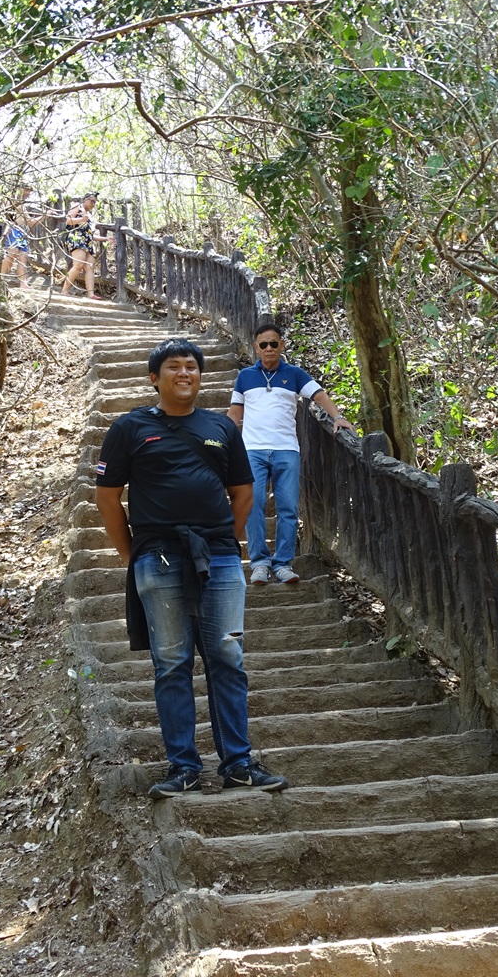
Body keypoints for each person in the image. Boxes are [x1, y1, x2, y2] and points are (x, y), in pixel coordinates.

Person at [95, 338, 290, 799]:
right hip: (158, 557)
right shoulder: (130, 428)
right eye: (174, 367)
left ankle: (238, 764)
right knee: (172, 662)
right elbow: (107, 497)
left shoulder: (221, 428)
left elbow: (243, 491)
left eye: (192, 368)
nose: (185, 374)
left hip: (219, 559)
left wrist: (223, 538)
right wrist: (132, 555)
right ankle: (183, 766)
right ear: (154, 378)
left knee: (227, 658)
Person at [227, 323, 356, 585]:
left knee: (287, 508)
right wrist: (218, 438)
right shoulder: (245, 377)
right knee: (253, 506)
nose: (269, 349)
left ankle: (283, 563)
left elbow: (318, 395)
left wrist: (338, 417)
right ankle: (260, 563)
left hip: (287, 449)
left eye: (274, 343)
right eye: (263, 344)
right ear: (256, 348)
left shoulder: (295, 374)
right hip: (252, 450)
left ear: (282, 345)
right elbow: (235, 414)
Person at [60, 192, 111, 299]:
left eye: (95, 202)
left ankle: (90, 294)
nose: (93, 204)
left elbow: (91, 235)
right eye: (92, 201)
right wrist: (81, 219)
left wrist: (106, 239)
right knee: (78, 265)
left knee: (89, 267)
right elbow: (68, 221)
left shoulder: (90, 216)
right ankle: (64, 290)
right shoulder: (77, 206)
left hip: (88, 242)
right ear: (85, 200)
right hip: (77, 238)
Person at [0, 183, 44, 291]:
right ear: (20, 189)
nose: (28, 193)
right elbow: (2, 214)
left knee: (23, 257)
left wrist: (45, 215)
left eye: (29, 191)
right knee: (12, 253)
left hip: (21, 232)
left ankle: (23, 283)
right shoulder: (9, 201)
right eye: (26, 190)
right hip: (12, 229)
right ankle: (0, 278)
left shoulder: (22, 206)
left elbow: (30, 222)